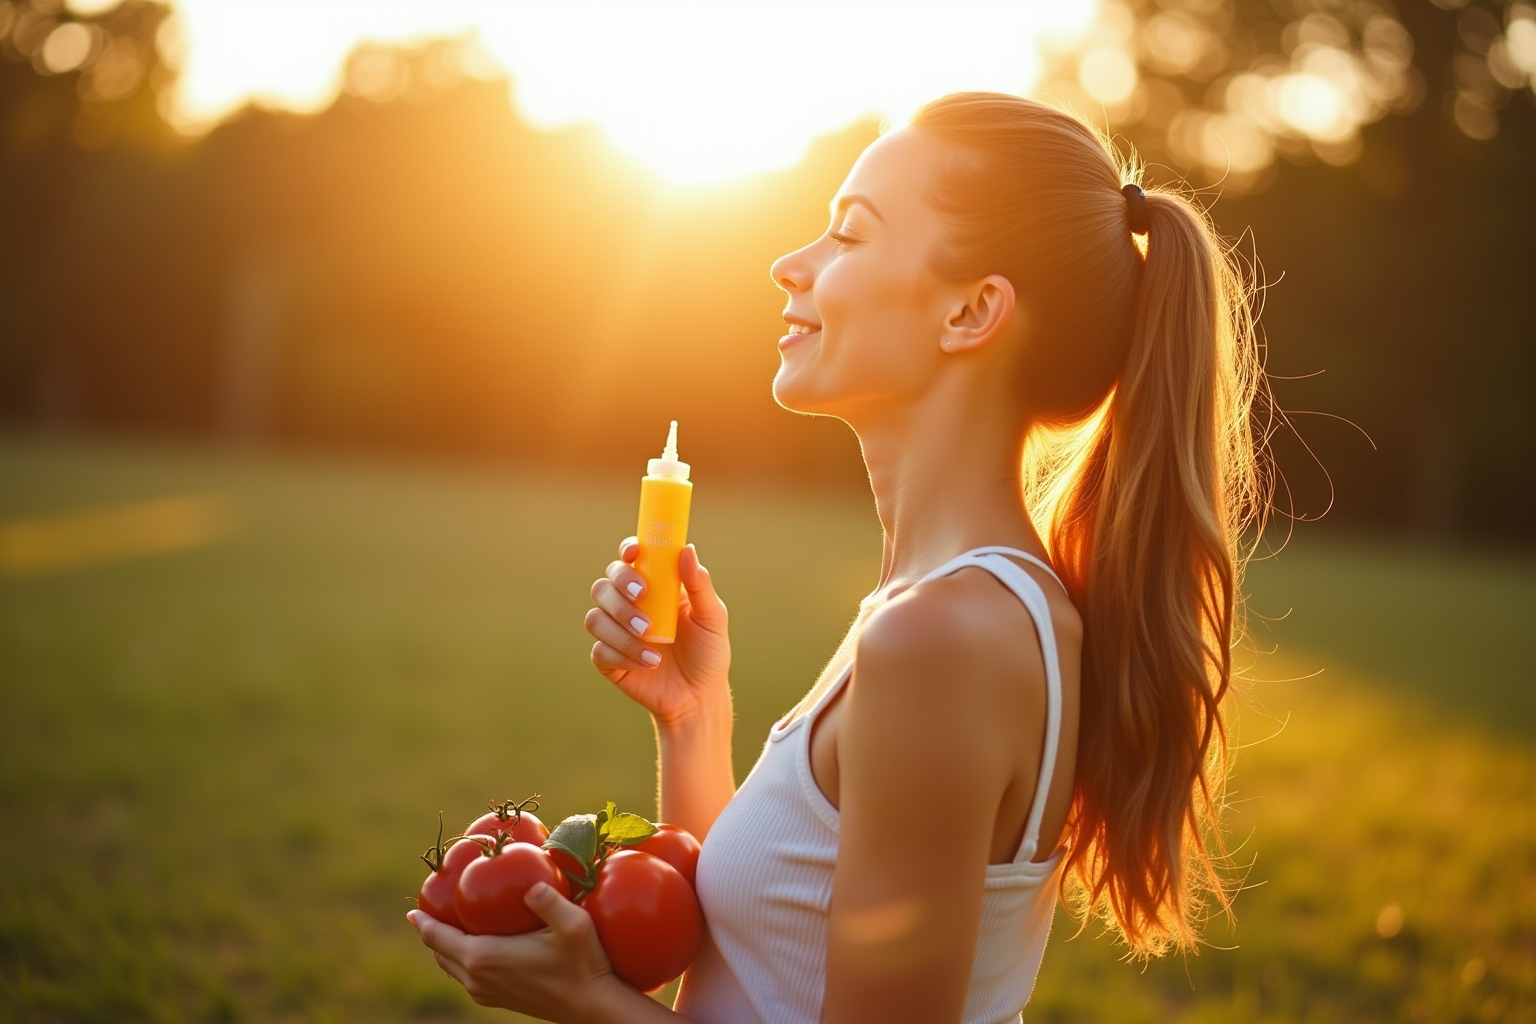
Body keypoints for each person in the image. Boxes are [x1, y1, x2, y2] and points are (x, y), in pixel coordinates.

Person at [409, 91, 1269, 1023]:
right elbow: (775, 942)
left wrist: (587, 1002)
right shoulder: (941, 609)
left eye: (849, 236)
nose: (788, 264)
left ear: (972, 311)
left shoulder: (943, 640)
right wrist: (694, 717)